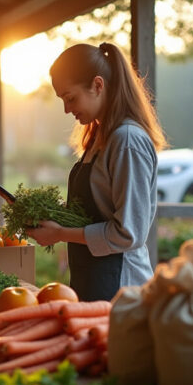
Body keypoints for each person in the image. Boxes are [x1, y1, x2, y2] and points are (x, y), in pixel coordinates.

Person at [25, 42, 167, 302]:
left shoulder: (127, 141)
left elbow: (128, 233)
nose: (67, 109)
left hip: (121, 288)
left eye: (71, 98)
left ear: (98, 85)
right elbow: (95, 213)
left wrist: (59, 233)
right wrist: (52, 214)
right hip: (93, 279)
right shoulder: (100, 138)